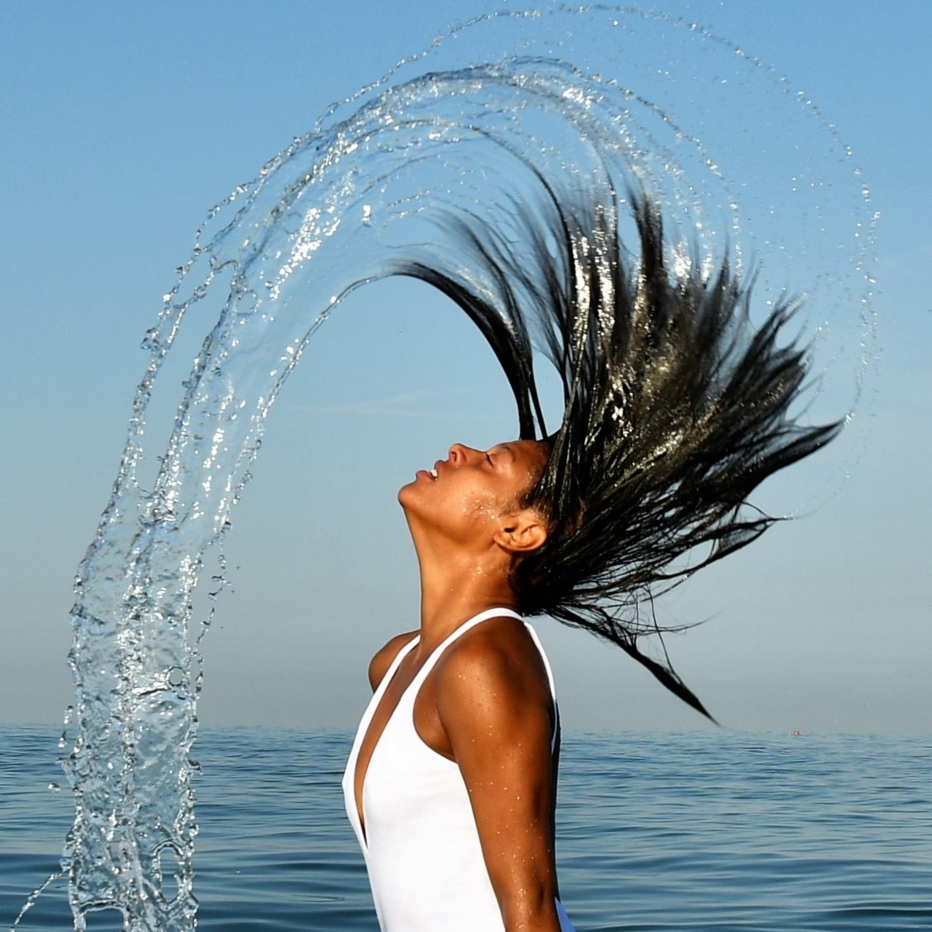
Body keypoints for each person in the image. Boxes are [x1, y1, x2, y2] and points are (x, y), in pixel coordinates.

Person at [343, 186, 840, 932]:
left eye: (490, 461)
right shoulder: (404, 664)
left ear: (520, 532)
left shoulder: (484, 663)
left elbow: (529, 906)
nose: (459, 449)